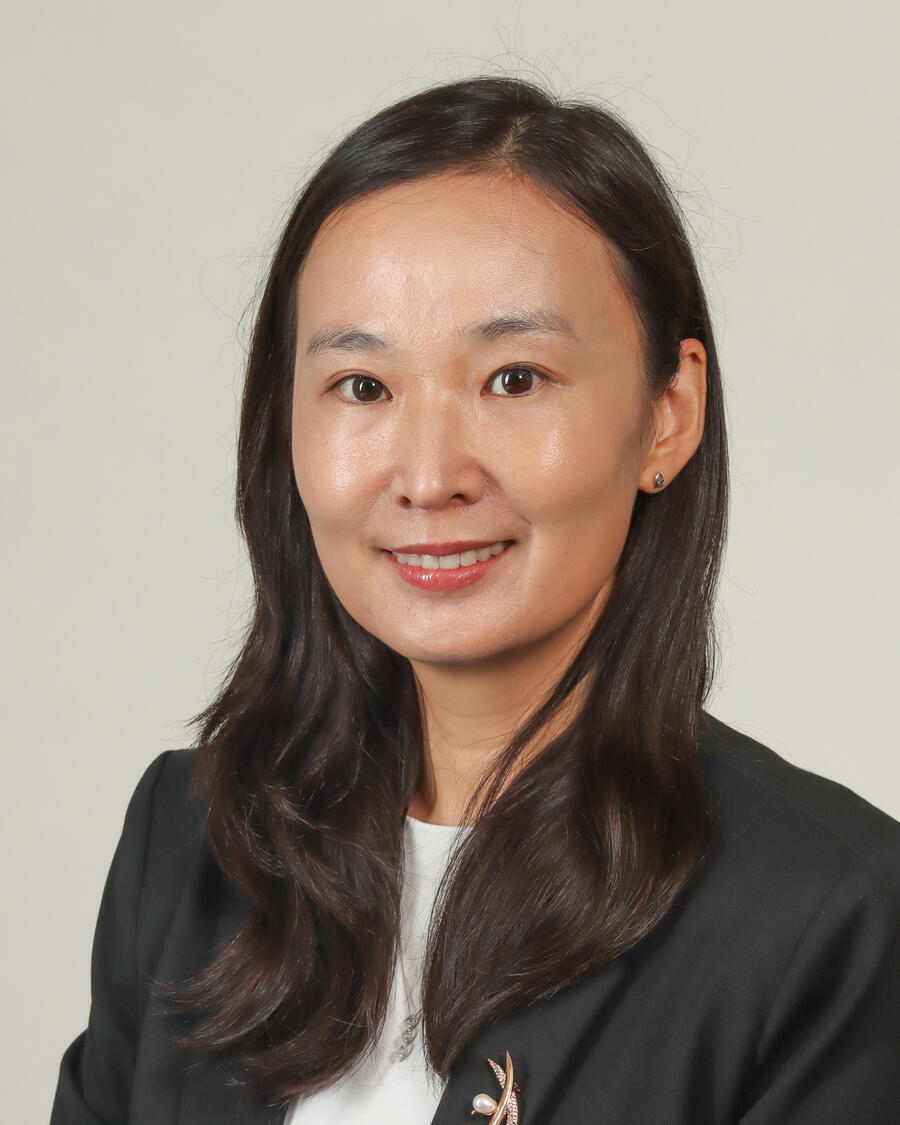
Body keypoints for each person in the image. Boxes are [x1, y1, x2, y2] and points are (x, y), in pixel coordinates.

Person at [50, 75, 900, 1125]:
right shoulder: (194, 845)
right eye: (363, 386)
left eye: (514, 378)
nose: (427, 475)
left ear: (669, 413)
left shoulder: (826, 917)